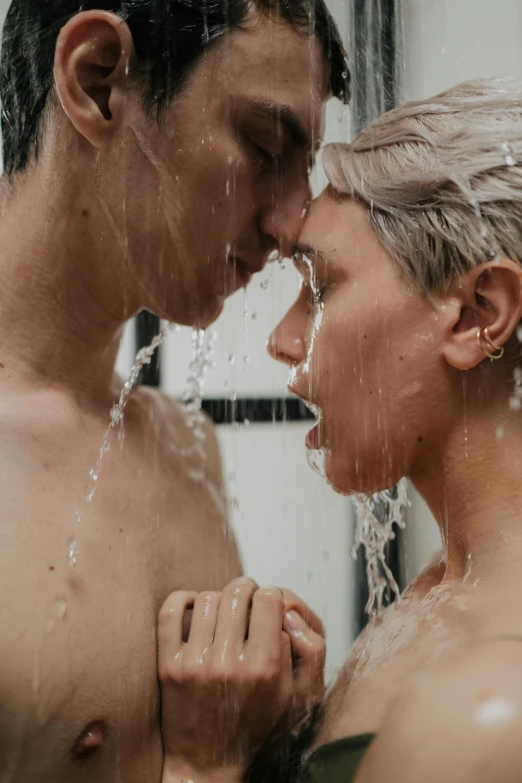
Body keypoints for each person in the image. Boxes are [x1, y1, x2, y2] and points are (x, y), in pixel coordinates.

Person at [0, 1, 349, 780]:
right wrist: (202, 766)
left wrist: (273, 737)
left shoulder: (187, 446)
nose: (294, 223)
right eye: (263, 144)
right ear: (97, 83)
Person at [158, 77, 522, 783]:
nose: (282, 339)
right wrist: (292, 739)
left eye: (320, 288)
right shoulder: (433, 598)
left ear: (481, 314)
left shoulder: (487, 707)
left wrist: (203, 767)